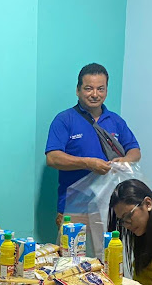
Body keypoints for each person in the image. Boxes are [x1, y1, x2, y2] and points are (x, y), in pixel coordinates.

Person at [46, 63, 141, 256]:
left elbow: (135, 151)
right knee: (70, 258)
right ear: (78, 90)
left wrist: (124, 161)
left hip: (109, 206)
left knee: (106, 257)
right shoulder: (65, 119)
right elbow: (53, 158)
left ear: (106, 90)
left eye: (101, 89)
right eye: (88, 88)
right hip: (73, 205)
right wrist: (87, 163)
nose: (95, 94)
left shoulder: (115, 121)